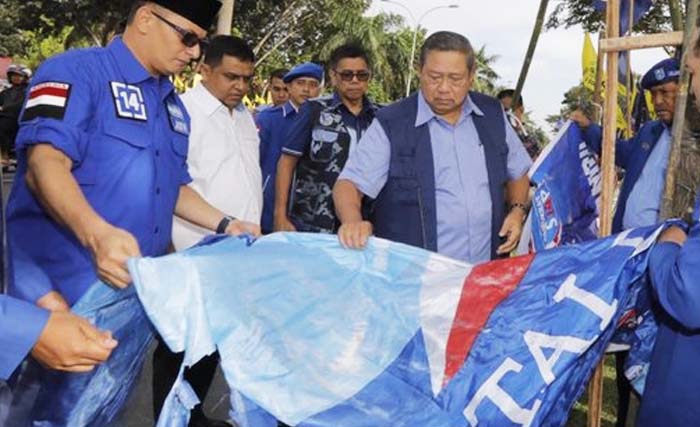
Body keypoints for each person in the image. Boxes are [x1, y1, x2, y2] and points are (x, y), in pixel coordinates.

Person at [5, 0, 261, 402]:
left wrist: (227, 224)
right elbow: (45, 164)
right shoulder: (75, 72)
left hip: (130, 298)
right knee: (36, 410)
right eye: (188, 38)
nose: (195, 52)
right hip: (60, 295)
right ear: (145, 19)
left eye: (201, 41)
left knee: (101, 407)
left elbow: (173, 187)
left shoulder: (173, 107)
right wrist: (97, 234)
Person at [333, 31, 531, 264]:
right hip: (415, 276)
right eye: (434, 77)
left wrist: (517, 210)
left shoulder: (492, 115)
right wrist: (352, 222)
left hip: (483, 273)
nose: (444, 88)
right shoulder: (392, 122)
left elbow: (517, 172)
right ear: (419, 71)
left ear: (471, 76)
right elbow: (349, 184)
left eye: (455, 79)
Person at [153, 35, 262, 427]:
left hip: (239, 251)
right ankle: (169, 420)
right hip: (195, 249)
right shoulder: (182, 114)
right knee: (181, 347)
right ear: (204, 69)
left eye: (247, 78)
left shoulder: (244, 115)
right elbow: (172, 185)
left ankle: (193, 416)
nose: (240, 86)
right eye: (231, 76)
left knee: (212, 344)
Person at [636, 28, 700, 427]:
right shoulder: (648, 134)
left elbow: (687, 296)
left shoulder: (691, 140)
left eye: (692, 76)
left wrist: (670, 241)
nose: (691, 92)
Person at [275, 44, 380, 233]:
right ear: (334, 76)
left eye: (361, 75)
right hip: (312, 222)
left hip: (362, 225)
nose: (355, 81)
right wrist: (280, 215)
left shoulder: (381, 117)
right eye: (347, 75)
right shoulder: (314, 110)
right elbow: (287, 162)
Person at [256, 62, 323, 233]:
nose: (306, 90)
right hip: (271, 201)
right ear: (290, 87)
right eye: (300, 83)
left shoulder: (326, 122)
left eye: (313, 85)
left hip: (310, 208)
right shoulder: (268, 119)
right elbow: (257, 161)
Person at [0, 64, 31, 167]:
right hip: (6, 119)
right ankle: (5, 155)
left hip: (23, 118)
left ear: (25, 77)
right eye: (13, 75)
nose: (16, 78)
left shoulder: (29, 90)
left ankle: (13, 155)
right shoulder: (5, 92)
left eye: (19, 75)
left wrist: (5, 108)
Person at [497, 89, 540, 160]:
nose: (506, 115)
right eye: (501, 111)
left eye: (508, 110)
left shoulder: (531, 141)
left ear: (521, 109)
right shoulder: (494, 136)